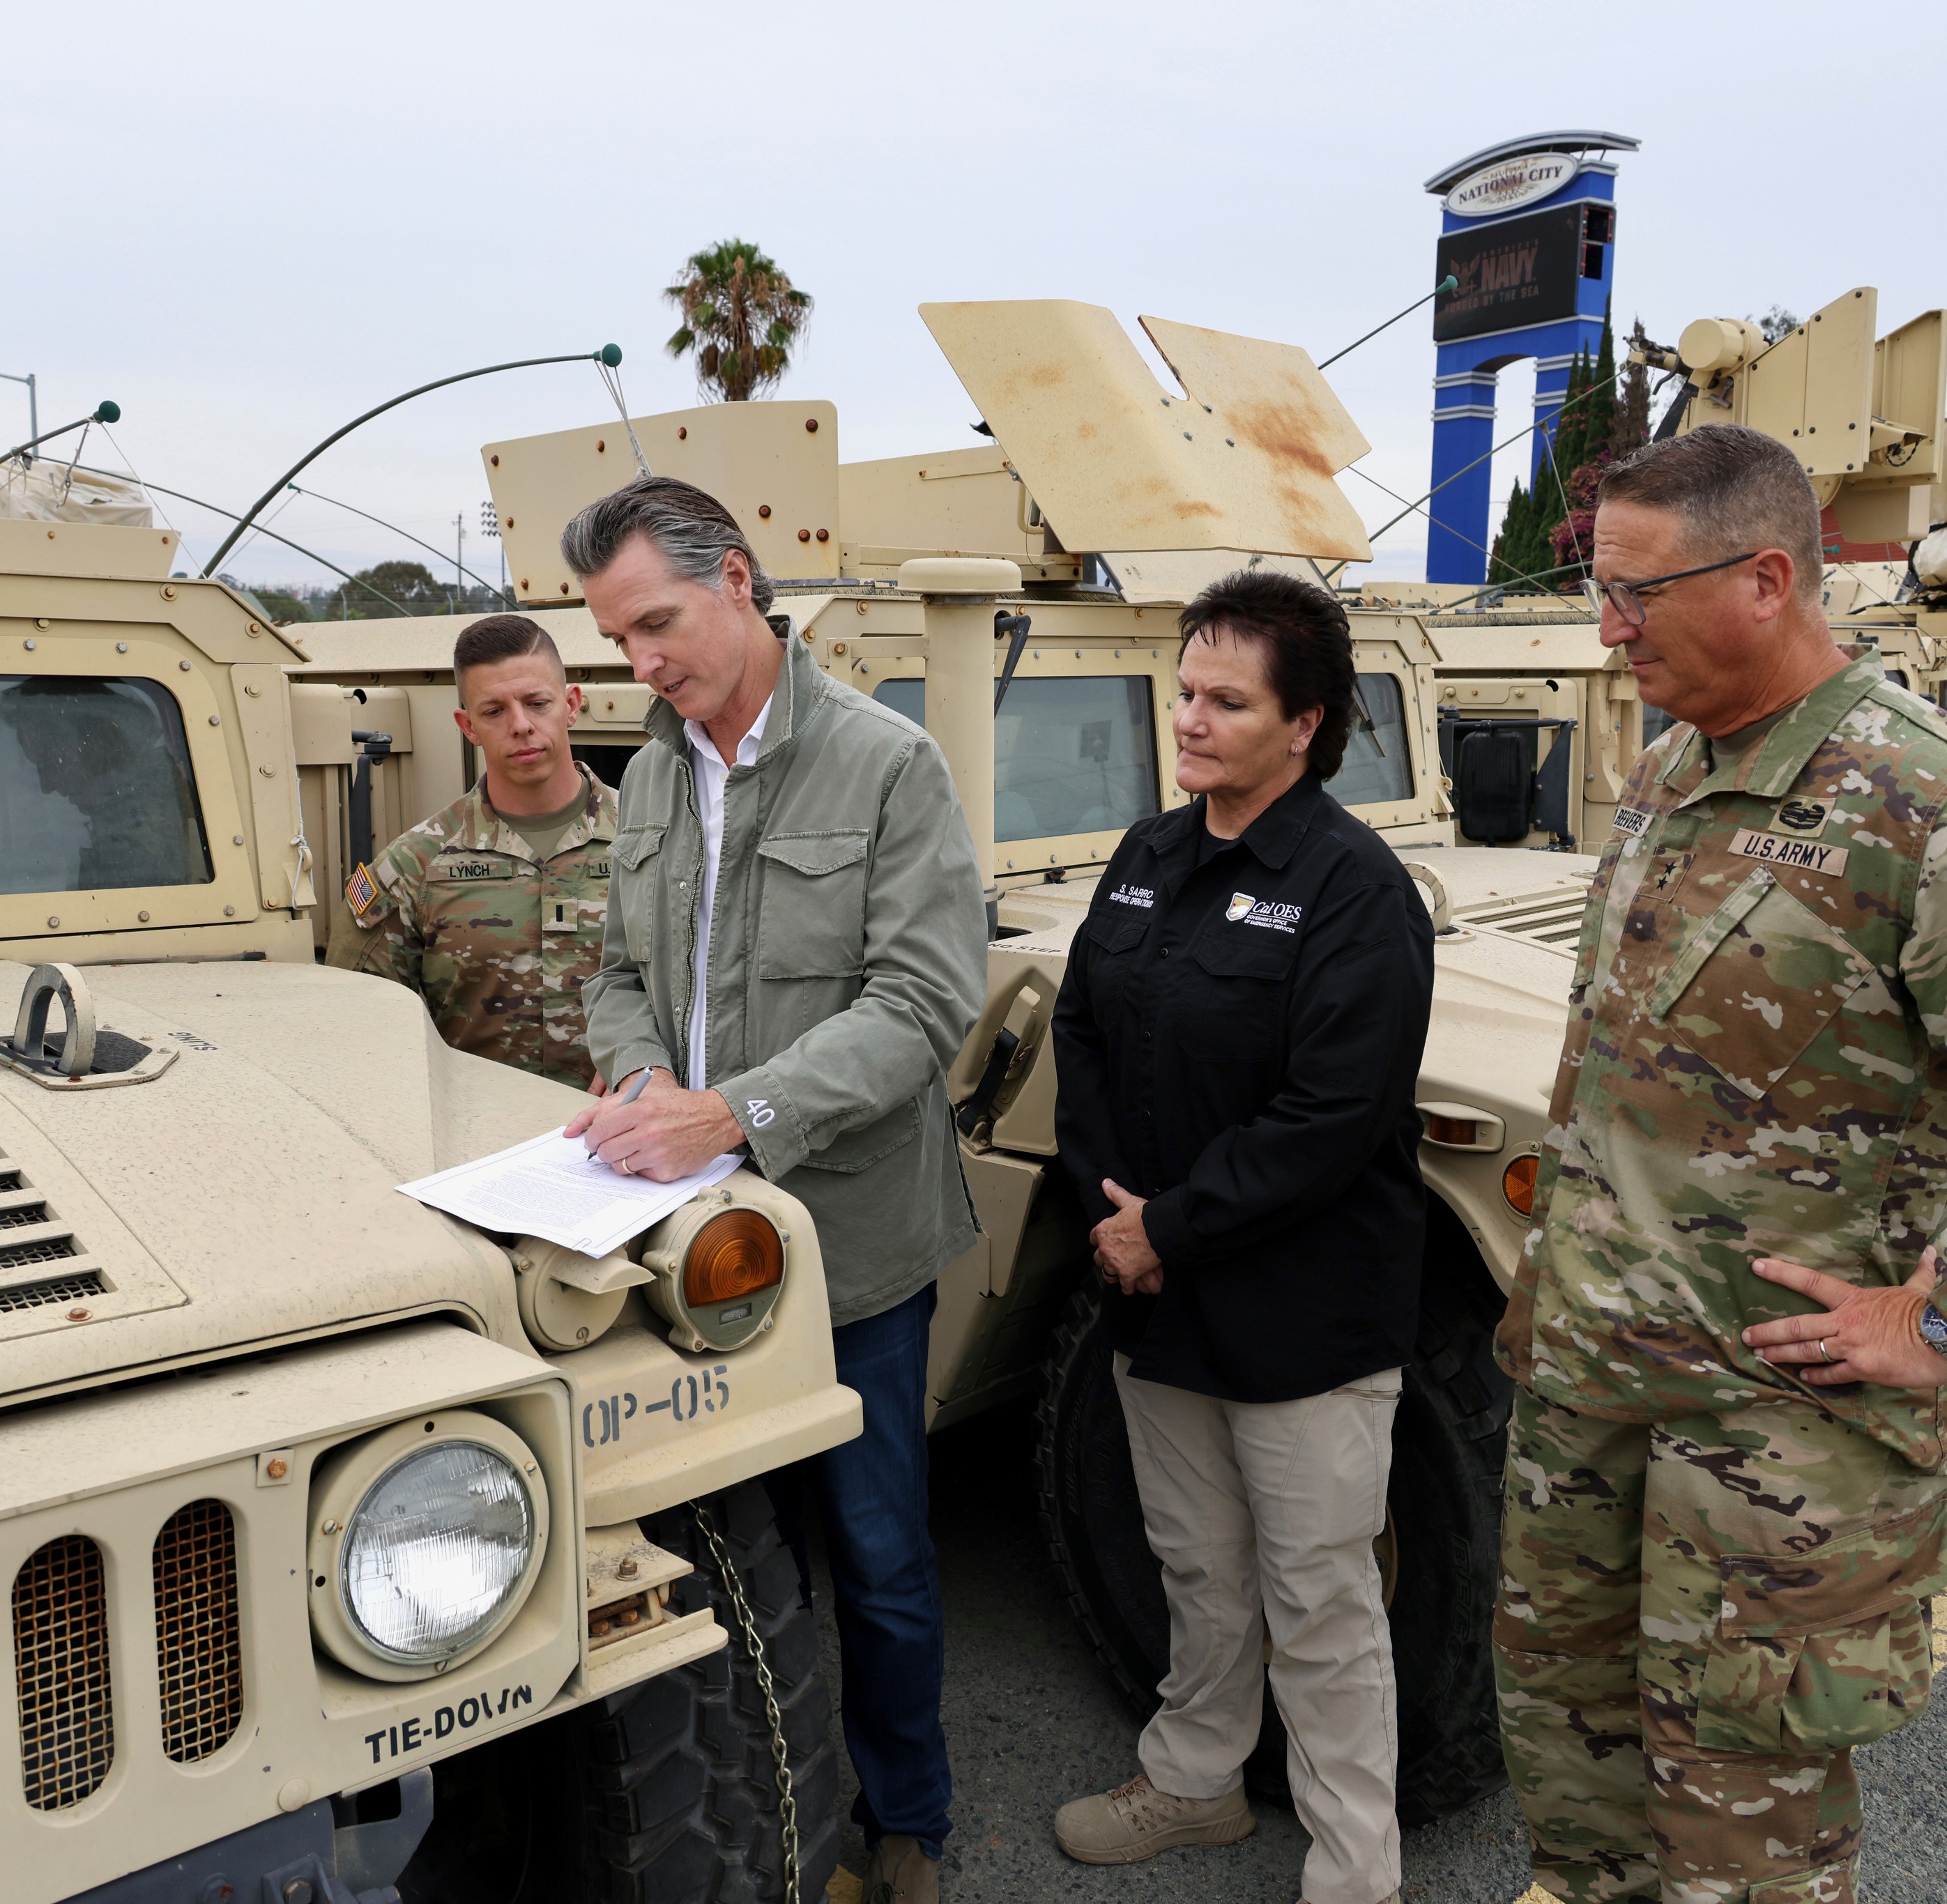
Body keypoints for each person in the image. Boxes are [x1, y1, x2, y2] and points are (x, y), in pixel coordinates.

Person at [1498, 424, 1947, 1903]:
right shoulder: (1668, 772)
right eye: (1599, 588)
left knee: (1739, 1851)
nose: (1607, 625)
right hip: (1592, 1398)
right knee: (1578, 1803)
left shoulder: (1926, 804)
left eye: (1636, 592)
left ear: (1766, 578)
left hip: (1775, 1440)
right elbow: (1612, 1061)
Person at [558, 475, 984, 1904]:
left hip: (842, 1247)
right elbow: (622, 974)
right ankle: (770, 1820)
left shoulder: (882, 764)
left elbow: (927, 999)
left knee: (873, 1553)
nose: (641, 663)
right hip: (677, 1245)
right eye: (618, 640)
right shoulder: (656, 770)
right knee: (722, 1558)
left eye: (657, 625)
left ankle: (906, 1821)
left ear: (736, 580)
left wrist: (732, 1114)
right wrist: (632, 1089)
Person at [1049, 570, 1437, 1904]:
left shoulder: (1353, 889)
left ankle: (1354, 1872)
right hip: (1157, 1304)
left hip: (1300, 1316)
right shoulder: (1150, 855)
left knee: (1322, 1604)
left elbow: (1334, 1113)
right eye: (1184, 693)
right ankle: (1197, 1780)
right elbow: (1083, 1032)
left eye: (1226, 700)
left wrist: (1173, 1225)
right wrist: (1115, 1218)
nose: (1191, 721)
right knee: (1198, 1568)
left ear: (1305, 724)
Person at [344, 615, 615, 1086]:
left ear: (571, 705)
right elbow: (362, 1030)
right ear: (467, 726)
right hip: (476, 1139)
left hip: (630, 1138)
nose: (521, 726)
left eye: (537, 703)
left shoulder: (657, 840)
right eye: (494, 712)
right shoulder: (413, 867)